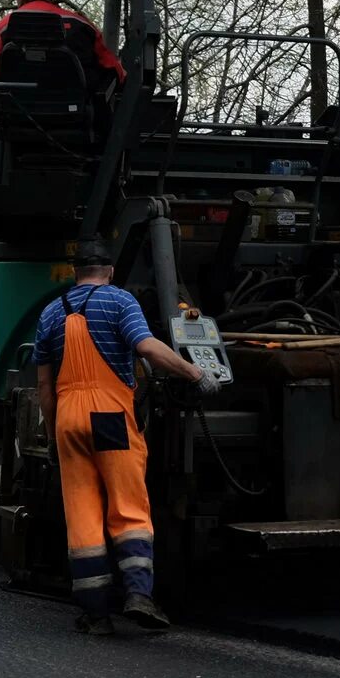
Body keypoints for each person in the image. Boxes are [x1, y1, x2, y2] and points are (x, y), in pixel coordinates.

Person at [33, 242, 210, 635]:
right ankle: (138, 595)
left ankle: (95, 613)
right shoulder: (119, 301)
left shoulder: (49, 313)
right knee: (128, 507)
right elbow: (146, 347)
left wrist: (51, 435)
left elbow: (44, 387)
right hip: (110, 416)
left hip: (66, 419)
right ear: (109, 271)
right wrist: (194, 373)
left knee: (82, 514)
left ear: (74, 273)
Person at [0, 0, 125, 83]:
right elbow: (112, 67)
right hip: (75, 112)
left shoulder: (5, 26)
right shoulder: (81, 24)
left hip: (16, 111)